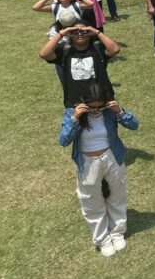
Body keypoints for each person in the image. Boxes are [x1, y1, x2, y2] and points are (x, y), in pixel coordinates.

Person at [59, 82, 139, 257]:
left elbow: (134, 125)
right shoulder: (72, 113)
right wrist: (74, 118)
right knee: (91, 201)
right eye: (91, 107)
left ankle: (117, 232)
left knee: (117, 196)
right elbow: (64, 140)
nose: (95, 111)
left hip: (112, 157)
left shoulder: (110, 112)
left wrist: (120, 111)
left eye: (99, 107)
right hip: (87, 163)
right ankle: (102, 239)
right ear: (83, 102)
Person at [39, 21, 120, 107]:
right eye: (75, 31)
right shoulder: (64, 50)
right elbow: (44, 54)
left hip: (101, 101)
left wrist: (97, 32)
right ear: (70, 33)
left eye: (84, 31)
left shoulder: (98, 48)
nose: (80, 34)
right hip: (75, 104)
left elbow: (115, 50)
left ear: (89, 33)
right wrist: (61, 34)